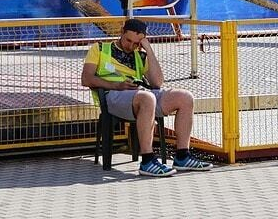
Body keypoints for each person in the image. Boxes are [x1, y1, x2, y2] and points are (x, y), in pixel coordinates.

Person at [81, 17, 212, 177]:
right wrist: (116, 85)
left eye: (136, 43)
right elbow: (86, 79)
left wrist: (148, 50)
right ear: (121, 32)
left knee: (185, 97)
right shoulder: (100, 49)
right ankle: (147, 161)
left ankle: (182, 156)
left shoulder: (140, 55)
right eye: (128, 40)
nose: (131, 46)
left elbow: (157, 82)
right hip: (113, 95)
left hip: (139, 95)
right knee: (147, 98)